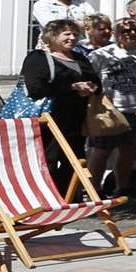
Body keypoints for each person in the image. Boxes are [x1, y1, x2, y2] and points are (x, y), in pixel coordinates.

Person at [21, 20, 101, 192]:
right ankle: (45, 196)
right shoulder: (38, 58)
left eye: (75, 34)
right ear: (52, 36)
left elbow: (97, 83)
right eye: (67, 34)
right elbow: (35, 89)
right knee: (47, 159)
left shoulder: (79, 57)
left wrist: (91, 88)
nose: (72, 38)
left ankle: (70, 197)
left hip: (76, 119)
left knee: (75, 159)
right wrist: (72, 87)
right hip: (48, 120)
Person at [85, 16, 136, 203]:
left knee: (129, 150)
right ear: (115, 34)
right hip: (111, 110)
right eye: (125, 31)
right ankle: (94, 190)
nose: (131, 34)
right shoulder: (101, 55)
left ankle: (122, 187)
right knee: (101, 151)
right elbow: (88, 78)